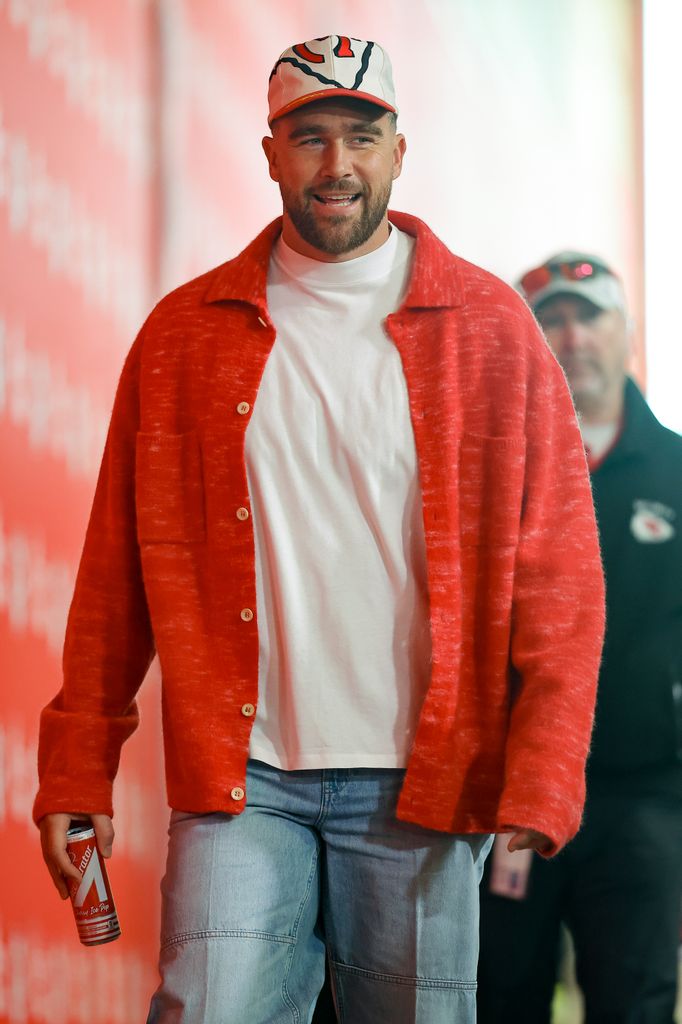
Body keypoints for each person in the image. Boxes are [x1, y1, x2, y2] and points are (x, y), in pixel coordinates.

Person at [35, 38, 605, 1024]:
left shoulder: (491, 330)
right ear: (269, 155)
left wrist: (544, 766)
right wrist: (76, 762)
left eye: (360, 135)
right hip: (242, 783)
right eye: (309, 138)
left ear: (397, 151)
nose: (335, 164)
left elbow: (556, 568)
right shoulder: (183, 337)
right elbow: (115, 573)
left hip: (424, 785)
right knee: (204, 1009)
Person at [477, 252, 682, 1023]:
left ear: (626, 330)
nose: (571, 337)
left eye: (588, 315)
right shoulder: (492, 470)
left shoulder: (676, 471)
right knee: (499, 993)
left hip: (643, 796)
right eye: (551, 319)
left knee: (635, 1002)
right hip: (510, 792)